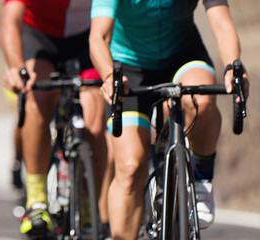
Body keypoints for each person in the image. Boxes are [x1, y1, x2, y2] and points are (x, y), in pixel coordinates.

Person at [89, 0, 250, 238]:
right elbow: (98, 37)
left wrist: (232, 67)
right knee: (131, 167)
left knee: (202, 102)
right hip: (129, 66)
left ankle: (201, 176)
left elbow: (222, 24)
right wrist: (108, 74)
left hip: (183, 56)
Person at [0, 0, 109, 237]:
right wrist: (16, 68)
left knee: (95, 127)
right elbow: (10, 21)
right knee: (39, 96)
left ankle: (91, 206)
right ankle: (37, 199)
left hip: (86, 40)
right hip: (39, 39)